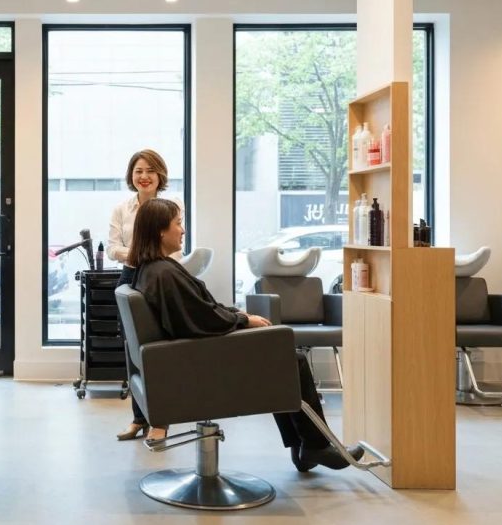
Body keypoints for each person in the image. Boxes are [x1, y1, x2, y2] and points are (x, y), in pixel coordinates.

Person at [122, 198, 364, 471]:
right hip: (194, 366)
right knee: (288, 360)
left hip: (180, 361)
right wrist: (243, 320)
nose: (183, 230)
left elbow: (198, 311)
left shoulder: (153, 270)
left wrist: (235, 315)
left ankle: (305, 445)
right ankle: (315, 446)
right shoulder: (164, 273)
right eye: (178, 224)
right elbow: (199, 321)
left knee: (284, 357)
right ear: (159, 231)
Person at [109, 149, 183, 443]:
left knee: (159, 349)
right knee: (133, 348)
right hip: (131, 275)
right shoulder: (122, 209)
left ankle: (161, 421)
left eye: (150, 171)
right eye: (138, 171)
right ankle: (139, 418)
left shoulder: (172, 205)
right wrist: (140, 254)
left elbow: (175, 247)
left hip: (161, 275)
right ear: (131, 175)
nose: (144, 177)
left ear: (160, 175)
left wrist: (150, 257)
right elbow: (113, 247)